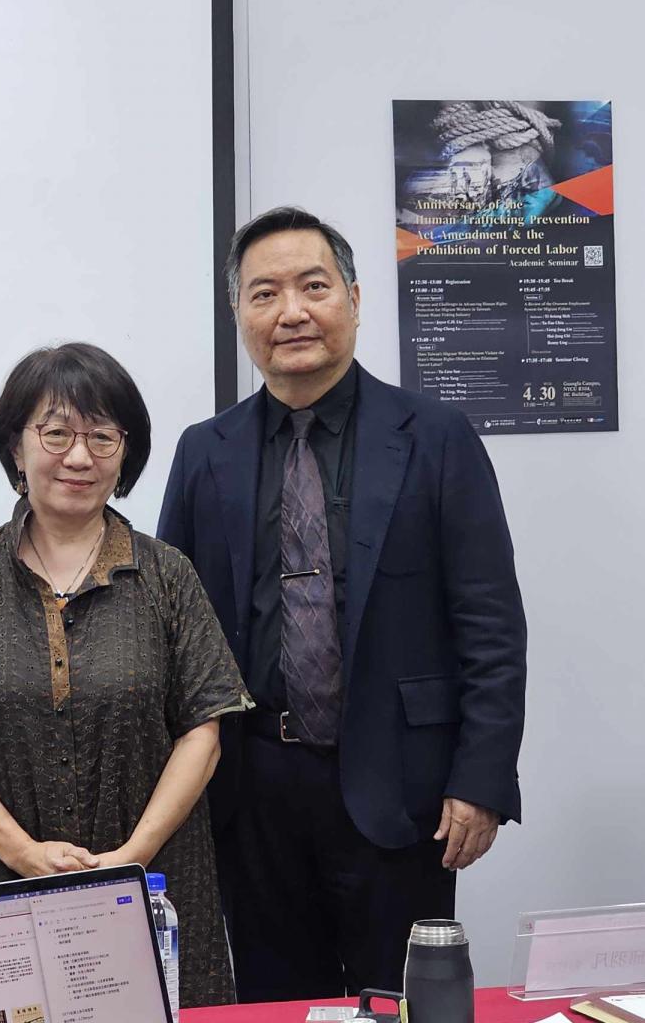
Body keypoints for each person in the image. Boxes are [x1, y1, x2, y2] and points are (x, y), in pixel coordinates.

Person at [157, 208, 527, 1002]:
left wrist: (483, 778)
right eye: (265, 294)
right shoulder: (203, 452)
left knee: (405, 1004)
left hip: (404, 788)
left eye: (313, 287)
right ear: (240, 315)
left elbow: (491, 626)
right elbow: (171, 635)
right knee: (275, 1004)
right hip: (252, 791)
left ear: (354, 300)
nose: (291, 311)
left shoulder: (436, 436)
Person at [0, 342, 251, 1008]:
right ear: (16, 446)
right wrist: (24, 853)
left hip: (151, 888)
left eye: (102, 436)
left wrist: (133, 856)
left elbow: (203, 734)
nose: (80, 457)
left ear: (125, 454)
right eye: (57, 433)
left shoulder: (168, 575)